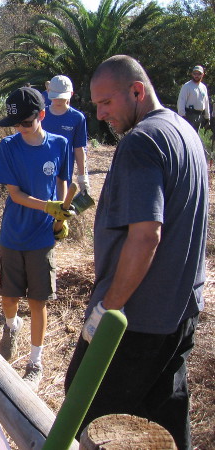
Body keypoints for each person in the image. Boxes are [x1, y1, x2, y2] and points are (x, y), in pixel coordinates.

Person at [65, 55, 207, 450]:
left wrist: (106, 311)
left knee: (84, 407)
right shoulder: (185, 132)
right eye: (95, 106)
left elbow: (146, 235)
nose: (101, 115)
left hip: (136, 318)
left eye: (107, 103)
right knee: (162, 413)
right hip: (181, 311)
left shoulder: (142, 142)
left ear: (137, 91)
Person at [0, 87, 71, 391]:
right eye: (15, 124)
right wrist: (49, 206)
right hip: (14, 233)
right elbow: (15, 194)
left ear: (41, 116)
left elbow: (62, 182)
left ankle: (35, 362)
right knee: (9, 296)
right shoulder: (8, 147)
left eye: (25, 122)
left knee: (38, 301)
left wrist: (60, 216)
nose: (19, 129)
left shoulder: (60, 145)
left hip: (42, 237)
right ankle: (11, 327)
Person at [42, 75, 89, 193]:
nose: (58, 100)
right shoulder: (41, 115)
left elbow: (79, 149)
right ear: (48, 92)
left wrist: (83, 178)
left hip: (64, 175)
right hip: (40, 172)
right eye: (55, 97)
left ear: (71, 94)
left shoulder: (77, 118)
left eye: (62, 97)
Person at [177, 65, 210, 132]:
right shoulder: (187, 86)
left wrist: (207, 117)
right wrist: (182, 116)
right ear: (192, 74)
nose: (196, 76)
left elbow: (206, 103)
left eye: (199, 74)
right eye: (195, 73)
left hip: (200, 116)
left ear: (202, 74)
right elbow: (181, 101)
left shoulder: (203, 87)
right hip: (189, 115)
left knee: (196, 137)